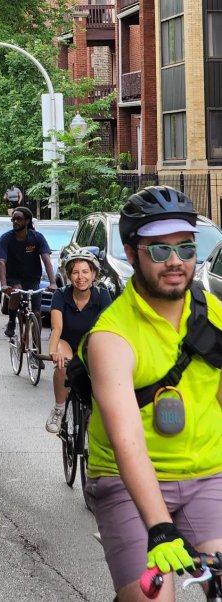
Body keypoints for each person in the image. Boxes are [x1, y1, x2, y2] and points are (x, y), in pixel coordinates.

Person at [81, 186, 222, 602]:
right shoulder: (111, 336)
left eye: (185, 247)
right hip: (127, 484)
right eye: (159, 251)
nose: (176, 261)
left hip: (207, 476)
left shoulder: (213, 314)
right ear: (131, 252)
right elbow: (127, 442)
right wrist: (160, 528)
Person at [44, 249, 111, 433]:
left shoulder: (102, 296)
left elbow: (108, 329)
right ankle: (58, 409)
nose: (80, 277)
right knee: (62, 364)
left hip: (91, 345)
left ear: (94, 274)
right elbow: (57, 328)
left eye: (85, 272)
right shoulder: (60, 295)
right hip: (67, 343)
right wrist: (53, 351)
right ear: (69, 276)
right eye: (75, 272)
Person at [0, 206, 56, 337]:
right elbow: (1, 261)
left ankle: (36, 347)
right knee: (16, 290)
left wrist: (53, 283)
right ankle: (12, 321)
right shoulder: (6, 238)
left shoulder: (37, 237)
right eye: (13, 219)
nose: (15, 222)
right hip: (13, 275)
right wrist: (4, 285)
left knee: (37, 312)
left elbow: (46, 260)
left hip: (32, 277)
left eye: (19, 219)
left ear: (27, 221)